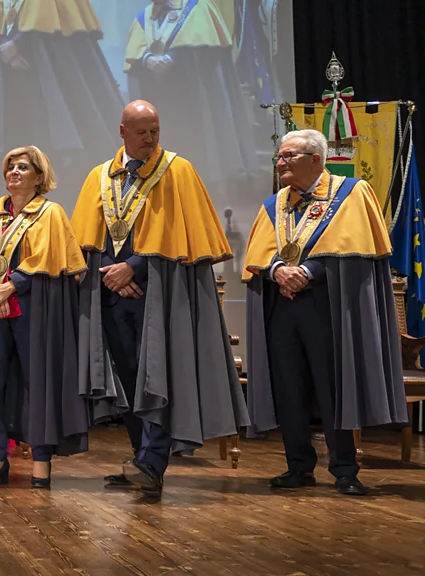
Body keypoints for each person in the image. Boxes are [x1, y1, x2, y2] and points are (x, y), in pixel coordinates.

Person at [70, 100, 249, 500]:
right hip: (113, 295)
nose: (150, 138)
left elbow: (180, 236)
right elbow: (88, 239)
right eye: (141, 131)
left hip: (163, 296)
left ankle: (152, 463)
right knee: (132, 381)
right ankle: (141, 461)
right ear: (122, 132)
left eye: (155, 130)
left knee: (159, 377)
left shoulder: (177, 171)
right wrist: (114, 279)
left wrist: (134, 268)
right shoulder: (100, 177)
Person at [241, 129, 407, 496]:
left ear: (316, 159)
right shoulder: (274, 205)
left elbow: (357, 251)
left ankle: (345, 468)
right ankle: (298, 467)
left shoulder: (351, 193)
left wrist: (309, 272)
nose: (280, 163)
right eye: (279, 157)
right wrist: (277, 271)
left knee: (333, 387)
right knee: (288, 386)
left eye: (289, 157)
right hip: (282, 307)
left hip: (329, 305)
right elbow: (257, 256)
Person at [0, 146, 89, 488]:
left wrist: (11, 287)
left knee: (37, 385)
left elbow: (51, 260)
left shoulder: (50, 213)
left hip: (34, 309)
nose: (15, 172)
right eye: (10, 167)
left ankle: (40, 459)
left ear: (40, 176)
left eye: (23, 167)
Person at [0, 0, 123, 201]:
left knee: (64, 125)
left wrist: (20, 43)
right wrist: (6, 51)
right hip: (16, 81)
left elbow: (49, 22)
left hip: (52, 64)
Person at [123, 0, 259, 208]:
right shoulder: (145, 17)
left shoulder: (199, 8)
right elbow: (135, 55)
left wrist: (174, 58)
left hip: (195, 100)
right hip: (160, 101)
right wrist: (147, 59)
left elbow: (208, 54)